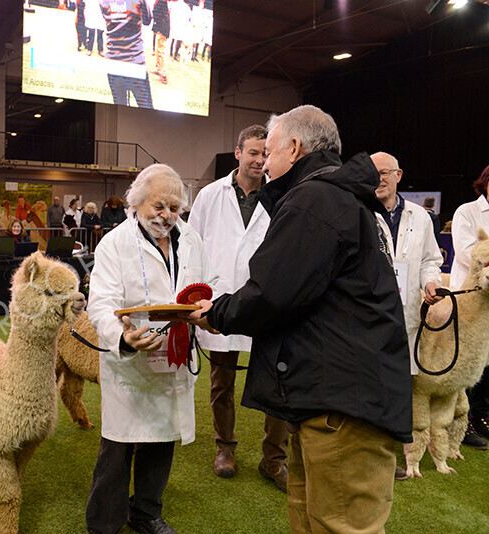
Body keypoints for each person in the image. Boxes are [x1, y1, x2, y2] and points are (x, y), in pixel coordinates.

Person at [181, 105, 412, 533]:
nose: (263, 163)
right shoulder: (339, 197)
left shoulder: (317, 198)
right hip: (331, 399)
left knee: (340, 525)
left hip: (343, 402)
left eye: (268, 152)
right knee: (311, 519)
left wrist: (218, 312)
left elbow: (273, 292)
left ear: (294, 145)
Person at [85, 163, 218, 534]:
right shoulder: (115, 243)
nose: (167, 216)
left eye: (175, 208)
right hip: (132, 364)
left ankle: (145, 513)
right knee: (118, 448)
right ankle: (104, 524)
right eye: (159, 206)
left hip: (174, 356)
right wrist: (122, 338)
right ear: (137, 202)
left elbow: (211, 282)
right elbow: (101, 303)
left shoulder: (190, 238)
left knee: (162, 439)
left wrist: (209, 310)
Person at [188, 124, 289, 491]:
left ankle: (274, 457)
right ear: (238, 153)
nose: (260, 160)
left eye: (265, 154)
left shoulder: (282, 197)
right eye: (253, 153)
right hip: (221, 301)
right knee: (222, 382)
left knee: (278, 381)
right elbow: (192, 246)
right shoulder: (210, 195)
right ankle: (225, 448)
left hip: (266, 303)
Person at [371, 152, 445, 468]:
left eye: (385, 172)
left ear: (399, 174)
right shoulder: (359, 212)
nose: (379, 179)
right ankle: (367, 451)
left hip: (407, 316)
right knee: (369, 382)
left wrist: (430, 284)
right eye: (372, 173)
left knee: (400, 385)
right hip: (369, 314)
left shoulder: (420, 216)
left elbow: (430, 260)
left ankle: (391, 453)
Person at [450, 163, 489, 448]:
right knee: (466, 363)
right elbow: (467, 255)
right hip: (471, 299)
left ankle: (481, 416)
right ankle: (462, 422)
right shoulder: (467, 212)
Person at [98, 0, 153, 109]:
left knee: (120, 109)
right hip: (135, 61)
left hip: (114, 62)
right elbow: (147, 21)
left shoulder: (103, 1)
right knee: (146, 109)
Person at [151, 0, 170, 84]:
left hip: (162, 29)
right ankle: (158, 68)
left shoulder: (161, 2)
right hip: (162, 28)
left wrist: (157, 29)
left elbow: (157, 15)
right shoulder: (163, 2)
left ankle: (164, 75)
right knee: (159, 51)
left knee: (161, 52)